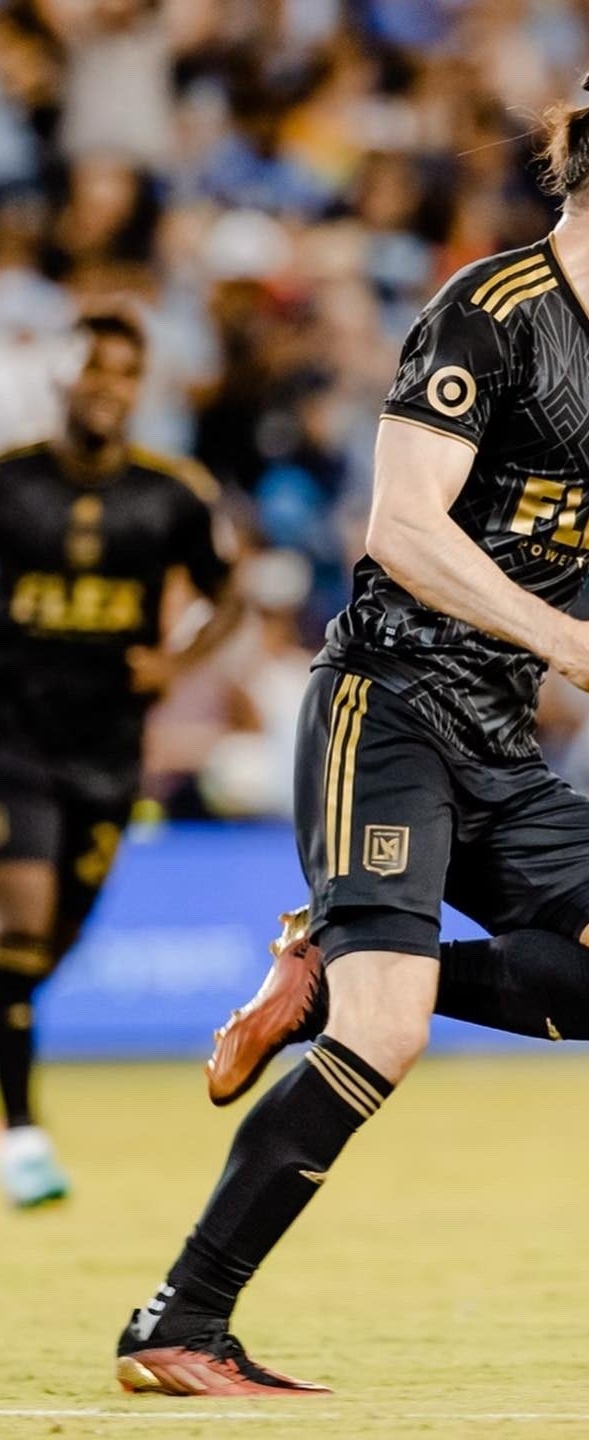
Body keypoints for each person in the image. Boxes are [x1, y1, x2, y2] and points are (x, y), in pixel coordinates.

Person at [116, 64, 589, 1397]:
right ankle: (181, 1323)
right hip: (386, 710)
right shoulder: (489, 308)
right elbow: (397, 527)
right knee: (385, 1038)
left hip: (497, 740)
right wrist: (568, 639)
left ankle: (330, 974)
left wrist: (545, 655)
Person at [0, 305, 240, 1207]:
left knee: (43, 950)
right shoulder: (11, 484)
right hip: (13, 741)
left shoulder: (169, 494)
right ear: (59, 376)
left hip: (107, 755)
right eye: (91, 369)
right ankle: (22, 1136)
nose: (106, 388)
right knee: (20, 922)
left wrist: (175, 659)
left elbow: (228, 593)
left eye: (123, 374)